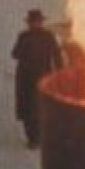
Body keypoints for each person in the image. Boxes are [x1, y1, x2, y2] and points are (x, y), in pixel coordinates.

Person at [12, 9, 63, 149]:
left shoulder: (48, 36)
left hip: (43, 77)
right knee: (27, 110)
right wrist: (24, 48)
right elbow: (15, 54)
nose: (35, 24)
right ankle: (32, 138)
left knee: (41, 108)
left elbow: (57, 55)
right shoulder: (23, 36)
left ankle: (39, 136)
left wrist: (59, 74)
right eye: (32, 22)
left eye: (37, 21)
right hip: (25, 78)